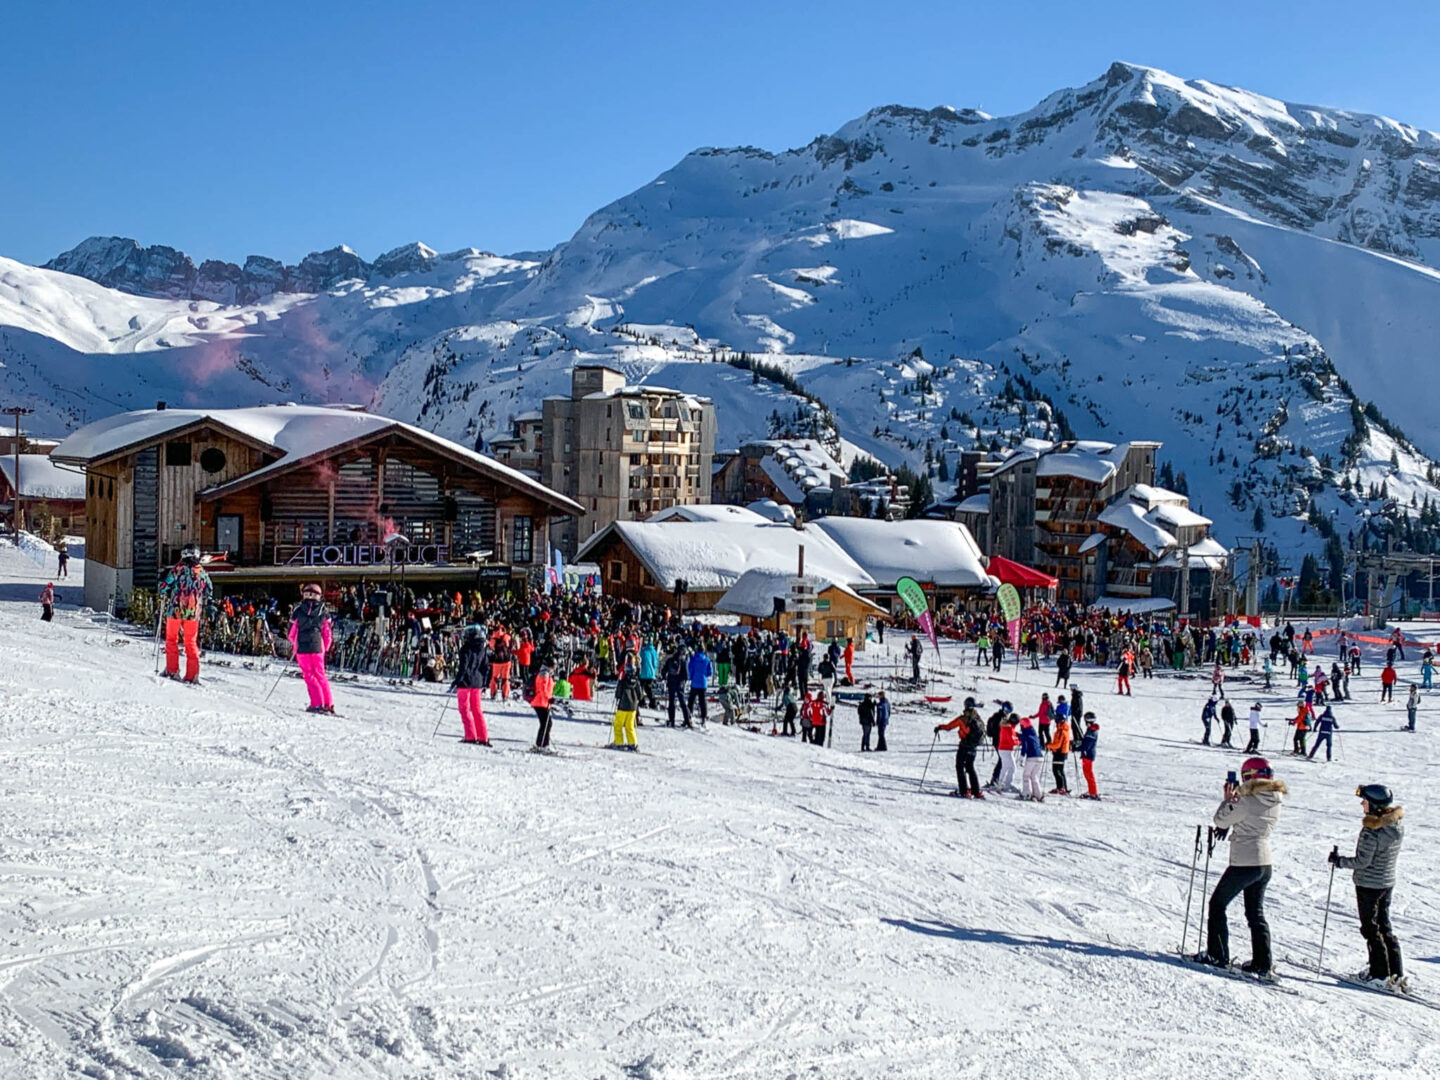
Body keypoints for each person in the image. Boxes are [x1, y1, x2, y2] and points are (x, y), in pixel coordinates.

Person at [1195, 757, 1285, 975]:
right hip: (1264, 862)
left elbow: (1221, 821)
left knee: (1217, 904)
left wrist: (1228, 800)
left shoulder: (1247, 800)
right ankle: (1262, 963)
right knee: (1255, 913)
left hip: (1245, 861)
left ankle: (1217, 955)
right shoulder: (1274, 798)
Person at [1329, 784, 1406, 991]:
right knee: (1384, 926)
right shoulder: (1396, 825)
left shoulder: (1372, 831)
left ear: (1373, 805)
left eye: (1365, 801)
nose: (1362, 803)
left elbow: (1362, 861)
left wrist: (1339, 861)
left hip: (1369, 884)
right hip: (1386, 882)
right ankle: (1395, 972)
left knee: (1371, 928)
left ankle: (1379, 973)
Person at [158, 544, 213, 684]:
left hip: (175, 609)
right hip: (193, 613)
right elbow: (209, 590)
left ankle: (172, 670)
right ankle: (192, 675)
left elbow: (164, 586)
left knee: (172, 639)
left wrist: (163, 587)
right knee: (191, 642)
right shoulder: (201, 572)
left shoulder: (178, 569)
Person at [287, 582, 335, 715]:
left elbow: (292, 632)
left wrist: (294, 644)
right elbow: (327, 633)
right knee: (320, 674)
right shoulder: (324, 612)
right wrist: (325, 647)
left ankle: (317, 703)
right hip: (317, 646)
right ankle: (328, 703)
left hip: (303, 647)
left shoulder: (298, 611)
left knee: (309, 675)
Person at [935, 697, 983, 798]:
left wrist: (940, 727)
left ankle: (964, 791)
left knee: (960, 767)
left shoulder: (963, 719)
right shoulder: (978, 718)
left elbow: (949, 727)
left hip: (964, 746)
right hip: (974, 747)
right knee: (970, 767)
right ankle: (976, 791)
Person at [452, 624, 491, 745]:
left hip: (465, 682)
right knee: (477, 709)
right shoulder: (482, 648)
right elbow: (486, 667)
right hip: (477, 683)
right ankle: (483, 737)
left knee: (464, 709)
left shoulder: (466, 648)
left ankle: (470, 736)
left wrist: (457, 680)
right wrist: (484, 682)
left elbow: (463, 667)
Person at [612, 664, 641, 750]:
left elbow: (618, 694)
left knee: (618, 724)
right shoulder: (636, 682)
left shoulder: (623, 681)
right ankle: (633, 743)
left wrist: (617, 696)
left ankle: (619, 742)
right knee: (630, 725)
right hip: (633, 707)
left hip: (623, 706)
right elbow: (640, 695)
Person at [1017, 716, 1045, 802]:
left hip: (1031, 757)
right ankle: (1038, 794)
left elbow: (1025, 745)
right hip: (1040, 757)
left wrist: (1022, 756)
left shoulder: (1026, 734)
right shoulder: (1034, 734)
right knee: (1034, 776)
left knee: (1026, 775)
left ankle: (1027, 794)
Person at [530, 663, 556, 749]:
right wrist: (549, 698)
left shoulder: (548, 673)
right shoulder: (544, 674)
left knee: (547, 723)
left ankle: (543, 744)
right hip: (540, 702)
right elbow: (543, 688)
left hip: (543, 702)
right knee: (546, 724)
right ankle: (541, 744)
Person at [686, 643, 712, 727]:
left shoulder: (693, 659)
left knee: (691, 700)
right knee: (702, 701)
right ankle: (703, 718)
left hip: (694, 682)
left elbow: (690, 669)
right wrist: (704, 675)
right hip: (703, 683)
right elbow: (710, 672)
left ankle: (689, 715)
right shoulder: (707, 660)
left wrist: (692, 677)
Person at [663, 650, 690, 727]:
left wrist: (665, 677)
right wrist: (684, 682)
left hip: (671, 682)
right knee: (682, 702)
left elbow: (664, 670)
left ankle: (672, 720)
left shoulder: (670, 660)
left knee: (671, 701)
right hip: (679, 684)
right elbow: (686, 675)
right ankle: (687, 719)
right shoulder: (683, 661)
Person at [1047, 714, 1071, 795]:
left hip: (1059, 753)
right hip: (1060, 752)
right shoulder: (1062, 730)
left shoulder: (1061, 731)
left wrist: (1048, 746)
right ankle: (1062, 787)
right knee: (1060, 770)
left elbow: (1058, 745)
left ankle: (1061, 788)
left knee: (1056, 770)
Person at [1078, 716, 1100, 799]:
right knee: (1087, 773)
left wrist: (1078, 747)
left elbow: (1087, 745)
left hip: (1088, 754)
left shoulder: (1092, 731)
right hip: (1087, 754)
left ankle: (1093, 792)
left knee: (1088, 773)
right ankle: (1091, 791)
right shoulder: (1091, 730)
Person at [488, 633, 513, 700]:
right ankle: (505, 695)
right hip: (507, 661)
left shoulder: (493, 638)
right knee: (506, 679)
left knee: (494, 678)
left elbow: (491, 648)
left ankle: (493, 694)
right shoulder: (507, 636)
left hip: (496, 661)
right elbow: (512, 647)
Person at [639, 638, 660, 708]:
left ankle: (642, 701)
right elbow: (655, 663)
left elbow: (640, 661)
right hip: (651, 673)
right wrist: (655, 672)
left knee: (641, 688)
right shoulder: (654, 652)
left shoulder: (642, 651)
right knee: (649, 688)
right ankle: (653, 702)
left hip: (643, 672)